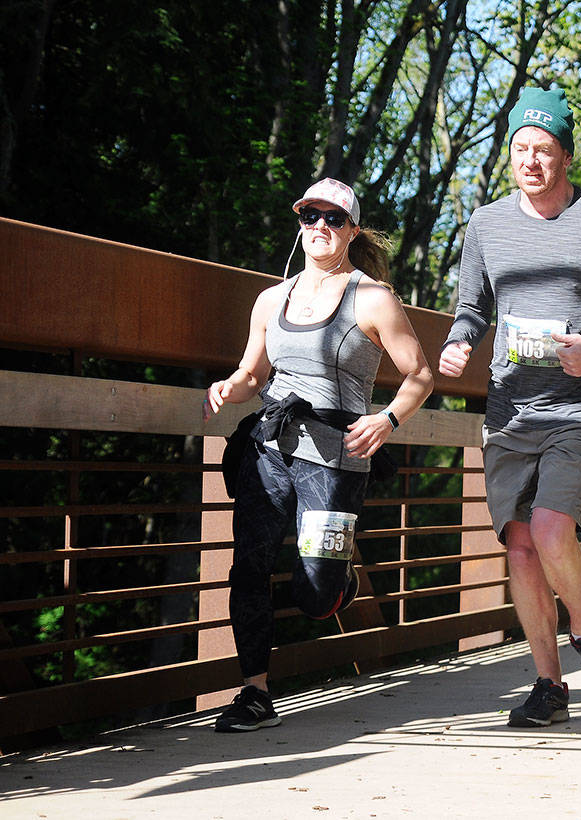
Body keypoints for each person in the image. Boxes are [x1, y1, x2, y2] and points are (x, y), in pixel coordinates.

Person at [438, 87, 581, 728]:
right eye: (520, 149)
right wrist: (459, 343)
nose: (531, 161)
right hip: (509, 411)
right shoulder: (485, 225)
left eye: (544, 150)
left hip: (579, 408)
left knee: (548, 528)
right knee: (518, 548)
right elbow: (471, 309)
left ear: (567, 156)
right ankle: (549, 687)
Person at [203, 177, 434, 731]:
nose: (321, 228)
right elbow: (254, 372)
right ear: (300, 222)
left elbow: (419, 375)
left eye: (334, 219)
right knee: (249, 567)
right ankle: (254, 692)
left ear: (352, 230)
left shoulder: (372, 297)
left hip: (336, 459)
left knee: (315, 593)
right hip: (269, 450)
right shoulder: (270, 299)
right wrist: (230, 388)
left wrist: (387, 417)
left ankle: (338, 576)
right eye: (311, 216)